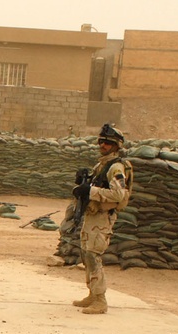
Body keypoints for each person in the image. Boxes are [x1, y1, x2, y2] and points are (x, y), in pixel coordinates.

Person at [71, 123, 133, 315]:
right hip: (93, 215)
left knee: (93, 254)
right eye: (101, 141)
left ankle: (100, 300)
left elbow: (118, 195)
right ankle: (92, 293)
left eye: (108, 143)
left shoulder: (116, 167)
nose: (103, 145)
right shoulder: (102, 164)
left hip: (102, 217)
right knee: (86, 254)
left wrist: (91, 191)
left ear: (116, 146)